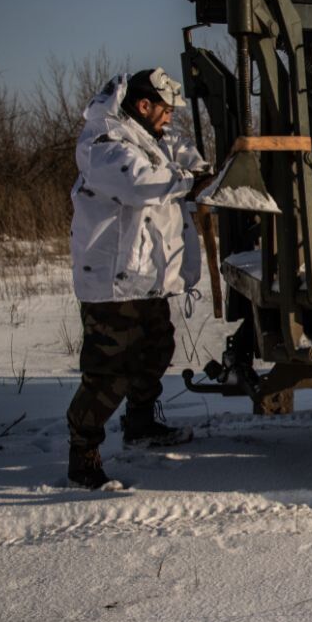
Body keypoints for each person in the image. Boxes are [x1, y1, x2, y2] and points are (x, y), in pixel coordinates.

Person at [66, 68, 214, 489]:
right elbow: (141, 184)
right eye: (165, 111)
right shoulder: (105, 144)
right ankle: (83, 454)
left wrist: (199, 169)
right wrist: (191, 182)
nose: (169, 120)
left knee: (156, 349)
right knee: (109, 373)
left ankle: (141, 424)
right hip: (113, 284)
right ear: (143, 105)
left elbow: (180, 153)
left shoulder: (149, 140)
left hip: (144, 279)